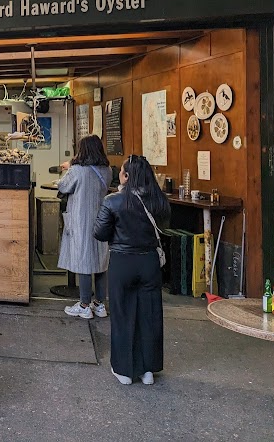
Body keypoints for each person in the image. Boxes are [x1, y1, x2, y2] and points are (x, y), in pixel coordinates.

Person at [94, 154, 171, 385]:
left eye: (122, 172)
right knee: (149, 315)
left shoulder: (113, 201)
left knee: (122, 314)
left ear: (126, 176)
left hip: (122, 262)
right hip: (149, 263)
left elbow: (99, 232)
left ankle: (125, 370)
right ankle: (148, 370)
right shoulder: (158, 201)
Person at [56, 135, 112, 319]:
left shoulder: (78, 170)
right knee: (101, 261)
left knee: (84, 261)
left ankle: (84, 305)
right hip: (102, 219)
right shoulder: (107, 170)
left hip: (82, 220)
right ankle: (100, 304)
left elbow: (63, 186)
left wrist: (69, 168)